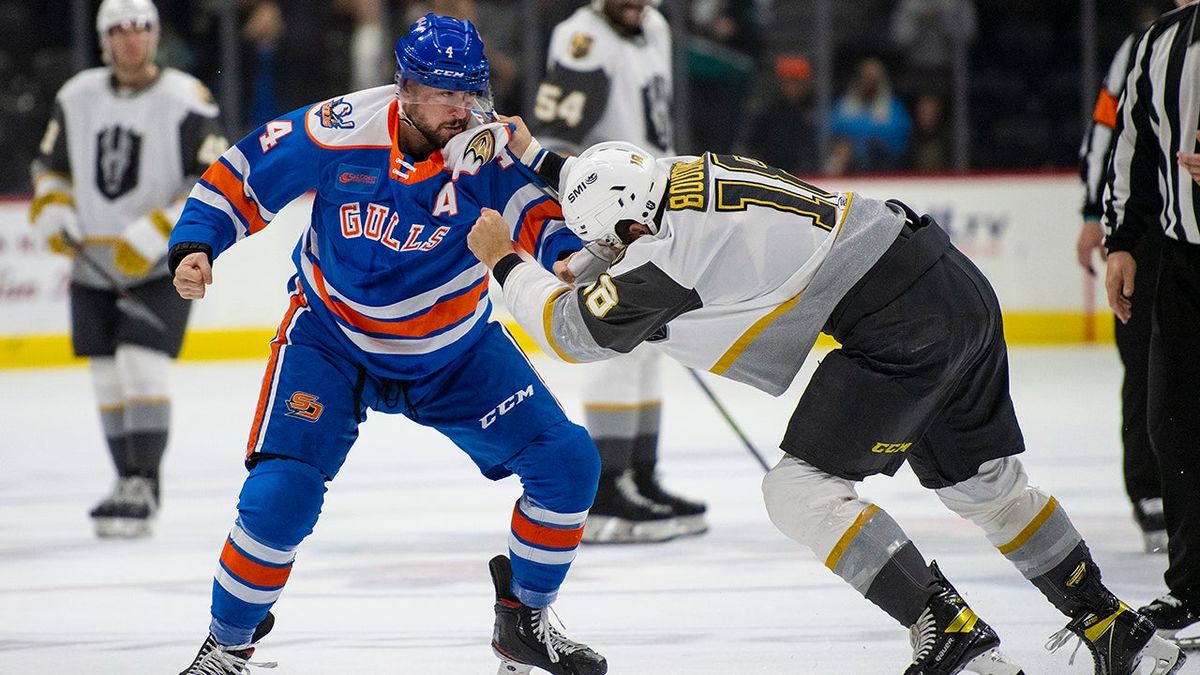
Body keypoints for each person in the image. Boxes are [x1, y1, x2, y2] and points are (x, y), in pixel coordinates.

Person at [466, 136, 1187, 674]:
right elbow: (616, 194)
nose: (606, 256)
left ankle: (950, 631)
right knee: (986, 484)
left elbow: (570, 331)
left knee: (797, 490)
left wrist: (504, 258)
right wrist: (536, 154)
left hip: (899, 323)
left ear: (629, 231)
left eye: (609, 246)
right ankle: (1115, 627)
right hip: (949, 279)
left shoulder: (660, 259)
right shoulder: (676, 173)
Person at [169, 14, 606, 675]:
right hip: (331, 341)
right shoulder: (340, 126)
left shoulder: (483, 147)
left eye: (472, 92)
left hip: (454, 354)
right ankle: (225, 644)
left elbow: (536, 215)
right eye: (445, 94)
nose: (463, 110)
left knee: (569, 465)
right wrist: (197, 241)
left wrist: (572, 258)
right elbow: (246, 167)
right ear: (405, 90)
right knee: (279, 495)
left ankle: (525, 623)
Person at [28, 0, 225, 539]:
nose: (132, 39)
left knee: (142, 363)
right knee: (106, 375)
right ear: (104, 38)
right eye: (120, 30)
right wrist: (54, 208)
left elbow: (213, 178)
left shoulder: (187, 98)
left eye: (141, 28)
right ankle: (125, 481)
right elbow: (52, 168)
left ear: (155, 36)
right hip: (94, 260)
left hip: (162, 262)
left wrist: (159, 230)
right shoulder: (77, 96)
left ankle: (146, 484)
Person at [530, 0, 706, 543]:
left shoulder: (654, 26)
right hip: (607, 212)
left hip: (656, 205)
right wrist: (573, 224)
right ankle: (608, 488)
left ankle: (640, 475)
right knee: (614, 345)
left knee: (650, 345)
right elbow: (558, 137)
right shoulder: (580, 38)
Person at [1076, 2, 1190, 555]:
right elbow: (1112, 134)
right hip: (1154, 232)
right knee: (1151, 365)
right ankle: (1152, 492)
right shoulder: (1145, 47)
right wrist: (1093, 216)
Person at [1104, 0, 1200, 650]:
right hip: (1184, 263)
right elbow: (1134, 147)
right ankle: (1193, 586)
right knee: (1173, 420)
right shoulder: (1158, 43)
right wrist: (1122, 242)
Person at [828, 57, 912, 173]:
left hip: (884, 166)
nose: (869, 84)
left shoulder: (894, 108)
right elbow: (833, 129)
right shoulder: (844, 106)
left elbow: (898, 135)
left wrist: (861, 137)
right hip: (850, 165)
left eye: (873, 80)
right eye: (865, 78)